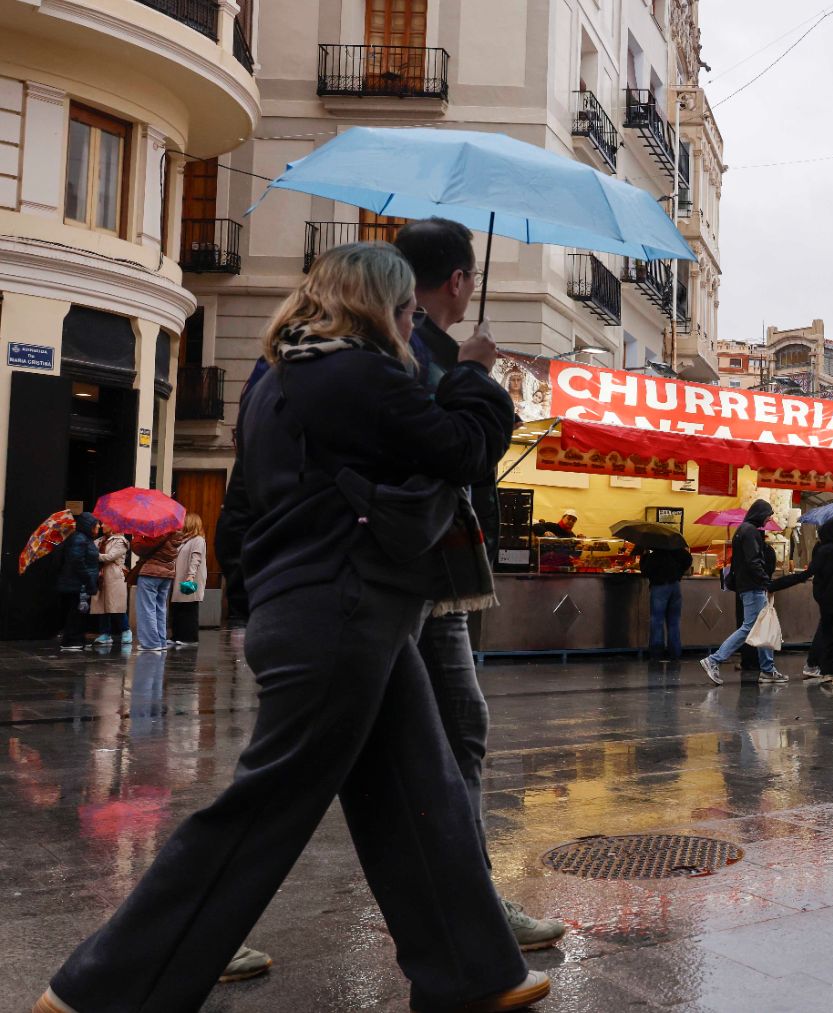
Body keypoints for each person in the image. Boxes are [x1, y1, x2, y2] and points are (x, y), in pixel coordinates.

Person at [36, 243, 549, 1013]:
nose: (414, 322)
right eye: (408, 310)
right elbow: (463, 448)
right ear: (379, 305)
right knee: (263, 810)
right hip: (344, 606)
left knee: (419, 791)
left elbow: (246, 510)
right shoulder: (354, 372)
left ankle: (474, 972)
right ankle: (104, 989)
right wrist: (475, 373)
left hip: (328, 606)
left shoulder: (278, 379)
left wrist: (253, 605)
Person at [701, 499, 787, 685]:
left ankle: (767, 669)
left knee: (761, 626)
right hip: (754, 587)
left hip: (749, 586)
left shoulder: (743, 530)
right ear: (760, 514)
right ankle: (714, 660)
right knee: (749, 627)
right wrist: (766, 582)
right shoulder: (750, 532)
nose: (769, 518)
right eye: (768, 514)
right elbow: (753, 561)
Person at [770, 517, 833, 688]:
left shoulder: (823, 551)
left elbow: (807, 574)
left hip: (826, 602)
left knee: (826, 635)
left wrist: (776, 584)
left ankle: (826, 672)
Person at [640, 542, 693, 663]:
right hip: (675, 586)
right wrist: (678, 573)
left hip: (659, 587)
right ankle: (675, 653)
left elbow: (645, 571)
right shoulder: (677, 551)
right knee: (674, 621)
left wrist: (644, 556)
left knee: (657, 621)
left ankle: (656, 654)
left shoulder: (655, 555)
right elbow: (688, 559)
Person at [130, 527, 181, 653]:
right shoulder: (174, 532)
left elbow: (140, 549)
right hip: (167, 573)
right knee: (160, 608)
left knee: (147, 608)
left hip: (151, 573)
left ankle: (151, 643)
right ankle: (161, 641)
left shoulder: (158, 532)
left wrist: (137, 535)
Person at [55, 513, 99, 652]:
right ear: (89, 526)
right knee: (76, 613)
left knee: (80, 612)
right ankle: (71, 641)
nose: (98, 526)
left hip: (79, 584)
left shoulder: (84, 538)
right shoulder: (80, 539)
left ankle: (77, 640)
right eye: (96, 524)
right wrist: (87, 579)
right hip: (77, 584)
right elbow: (77, 560)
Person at [168, 513, 208, 647]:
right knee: (178, 607)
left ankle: (189, 638)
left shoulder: (198, 540)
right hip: (180, 578)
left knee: (189, 608)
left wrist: (190, 576)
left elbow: (196, 559)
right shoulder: (184, 540)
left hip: (189, 579)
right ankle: (176, 636)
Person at [90, 524, 130, 651]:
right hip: (101, 576)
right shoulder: (100, 540)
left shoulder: (121, 541)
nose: (102, 525)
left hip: (114, 576)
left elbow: (110, 557)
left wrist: (93, 555)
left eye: (105, 523)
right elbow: (91, 548)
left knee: (116, 606)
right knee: (102, 605)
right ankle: (105, 634)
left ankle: (126, 630)